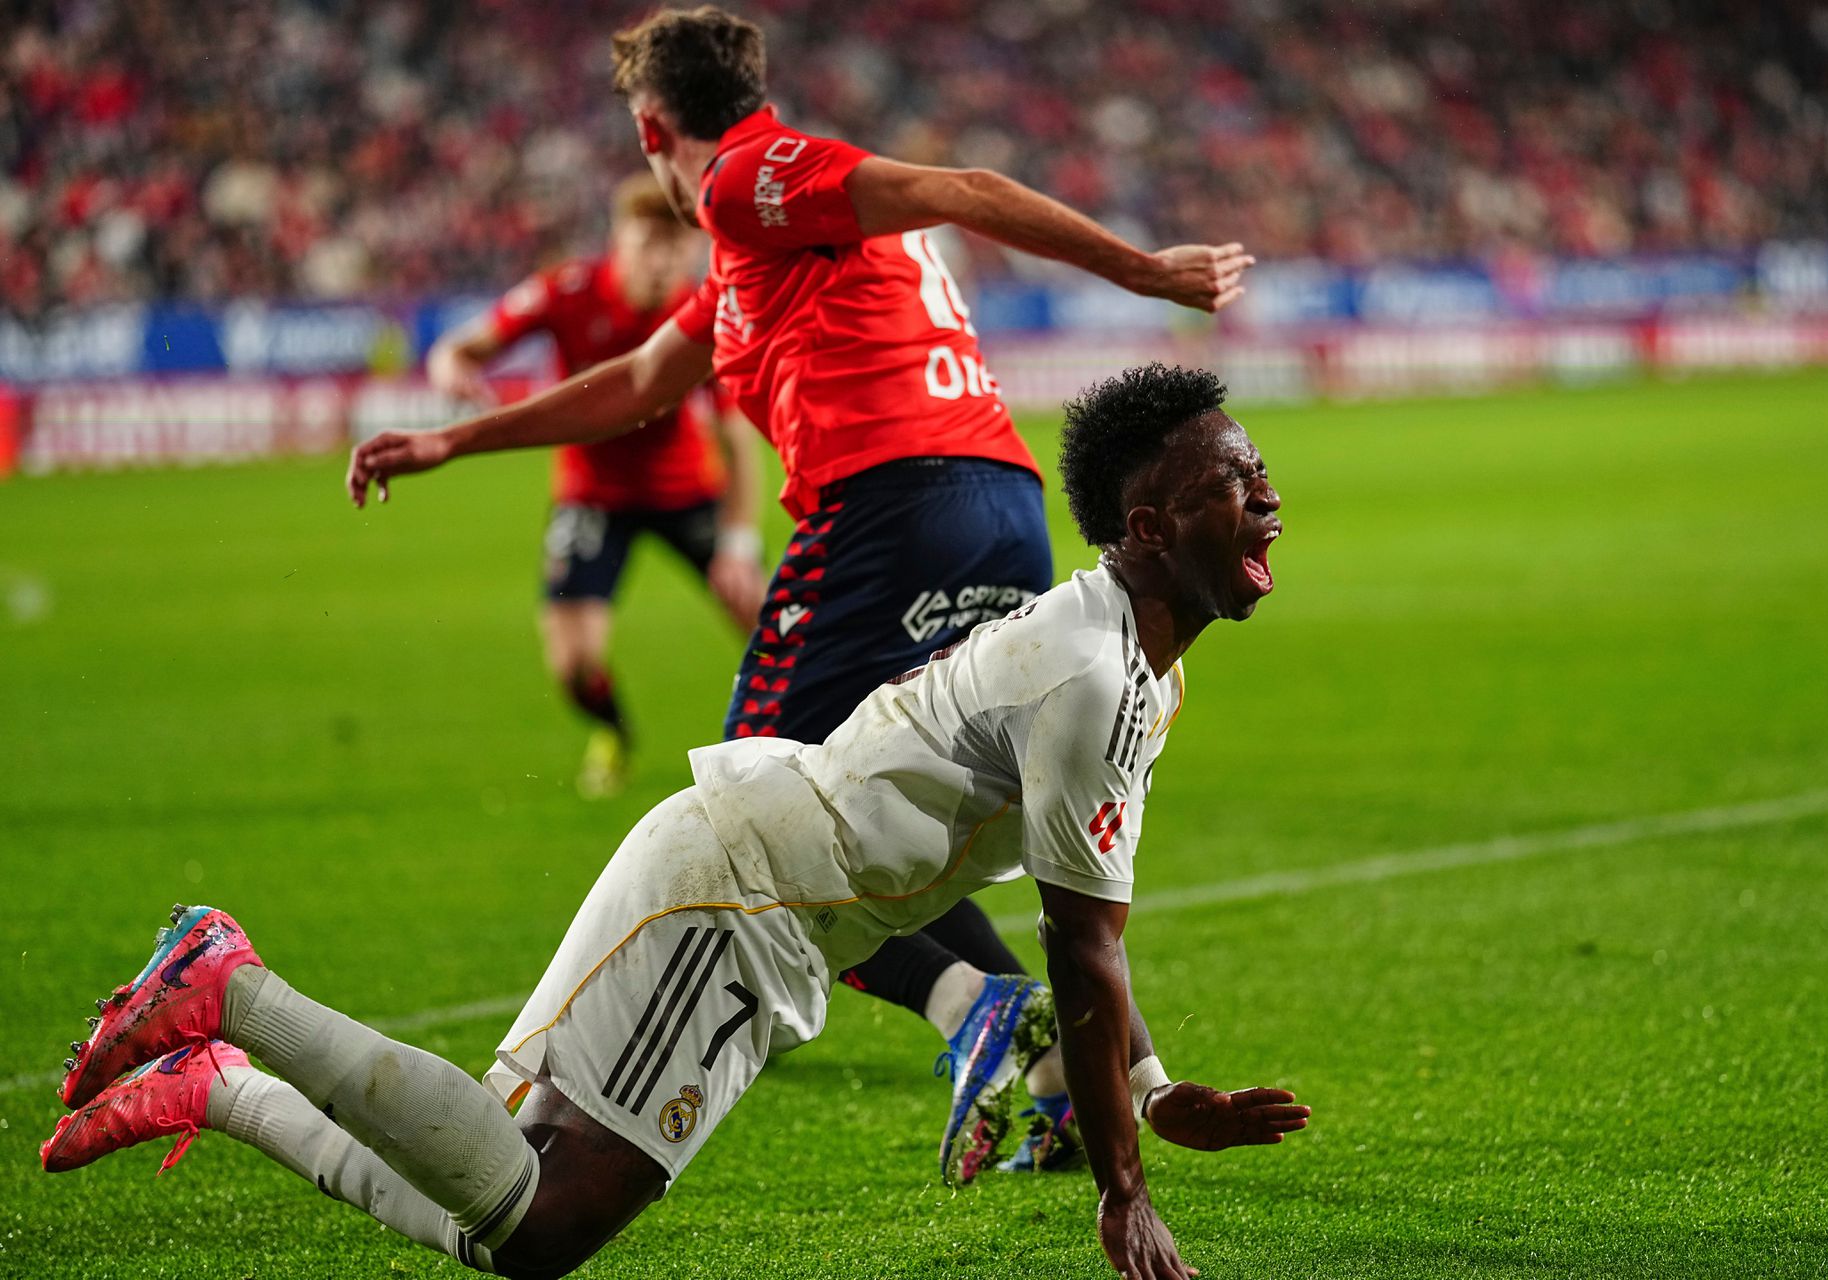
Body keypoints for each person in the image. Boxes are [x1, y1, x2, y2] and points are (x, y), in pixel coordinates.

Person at [48, 364, 1305, 1280]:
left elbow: (1088, 926)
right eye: (1236, 482)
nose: (1269, 499)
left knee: (506, 1188)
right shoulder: (1087, 673)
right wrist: (1124, 1185)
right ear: (1147, 527)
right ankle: (231, 993)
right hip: (744, 897)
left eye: (1261, 477)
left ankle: (214, 1075)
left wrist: (1147, 1089)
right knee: (533, 1224)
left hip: (760, 893)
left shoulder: (1142, 662)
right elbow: (1081, 950)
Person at [344, 5, 1256, 1179]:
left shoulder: (743, 179)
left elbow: (966, 184)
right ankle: (1062, 1075)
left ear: (650, 129)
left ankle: (977, 1004)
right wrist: (452, 440)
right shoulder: (762, 248)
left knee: (757, 814)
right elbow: (635, 379)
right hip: (993, 506)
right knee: (926, 803)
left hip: (889, 506)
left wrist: (1147, 271)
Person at [425, 174, 766, 797]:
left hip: (687, 491)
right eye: (648, 245)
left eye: (676, 247)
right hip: (593, 497)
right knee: (575, 666)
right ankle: (613, 731)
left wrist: (739, 540)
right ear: (618, 242)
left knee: (776, 629)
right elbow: (463, 347)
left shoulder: (707, 316)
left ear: (695, 251)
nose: (662, 261)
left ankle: (803, 748)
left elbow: (737, 438)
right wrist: (452, 368)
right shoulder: (566, 291)